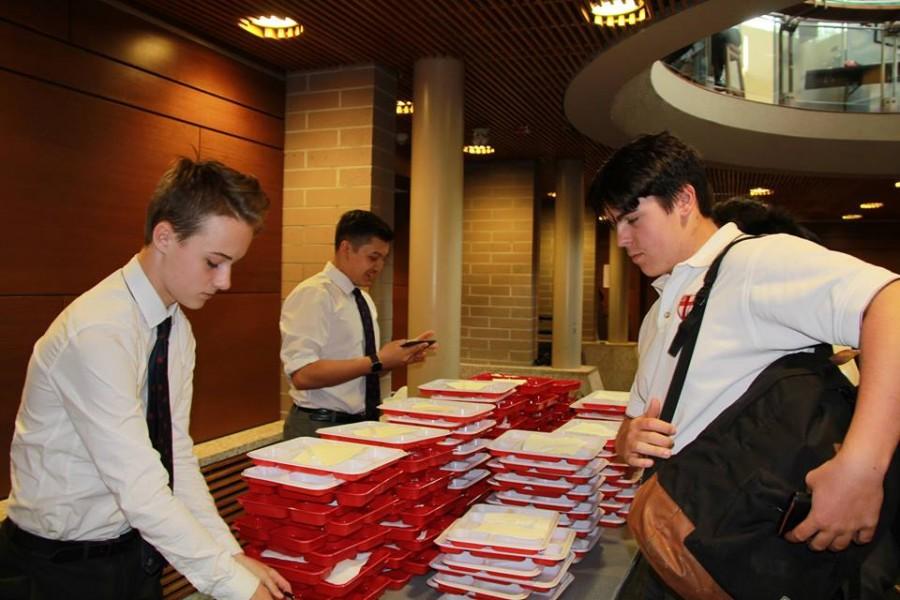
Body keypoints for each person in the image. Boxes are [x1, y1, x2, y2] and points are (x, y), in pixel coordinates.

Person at [589, 132, 900, 598]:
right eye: (614, 223)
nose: (622, 240)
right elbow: (640, 419)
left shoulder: (756, 262)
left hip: (748, 549)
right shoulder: (659, 311)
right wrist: (627, 438)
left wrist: (861, 466)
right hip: (677, 537)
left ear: (684, 200)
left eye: (633, 218)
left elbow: (889, 304)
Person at [0, 158, 292, 600]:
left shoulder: (175, 327)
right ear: (165, 236)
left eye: (232, 265)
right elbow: (139, 484)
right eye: (214, 262)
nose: (226, 281)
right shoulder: (98, 331)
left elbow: (174, 454)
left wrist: (226, 553)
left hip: (131, 554)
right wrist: (230, 584)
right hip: (58, 570)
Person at [280, 209, 434, 439]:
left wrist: (394, 360)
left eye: (384, 258)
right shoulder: (314, 294)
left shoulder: (363, 299)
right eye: (373, 257)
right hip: (319, 427)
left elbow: (362, 371)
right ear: (345, 248)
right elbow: (302, 375)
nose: (379, 266)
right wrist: (377, 360)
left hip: (359, 424)